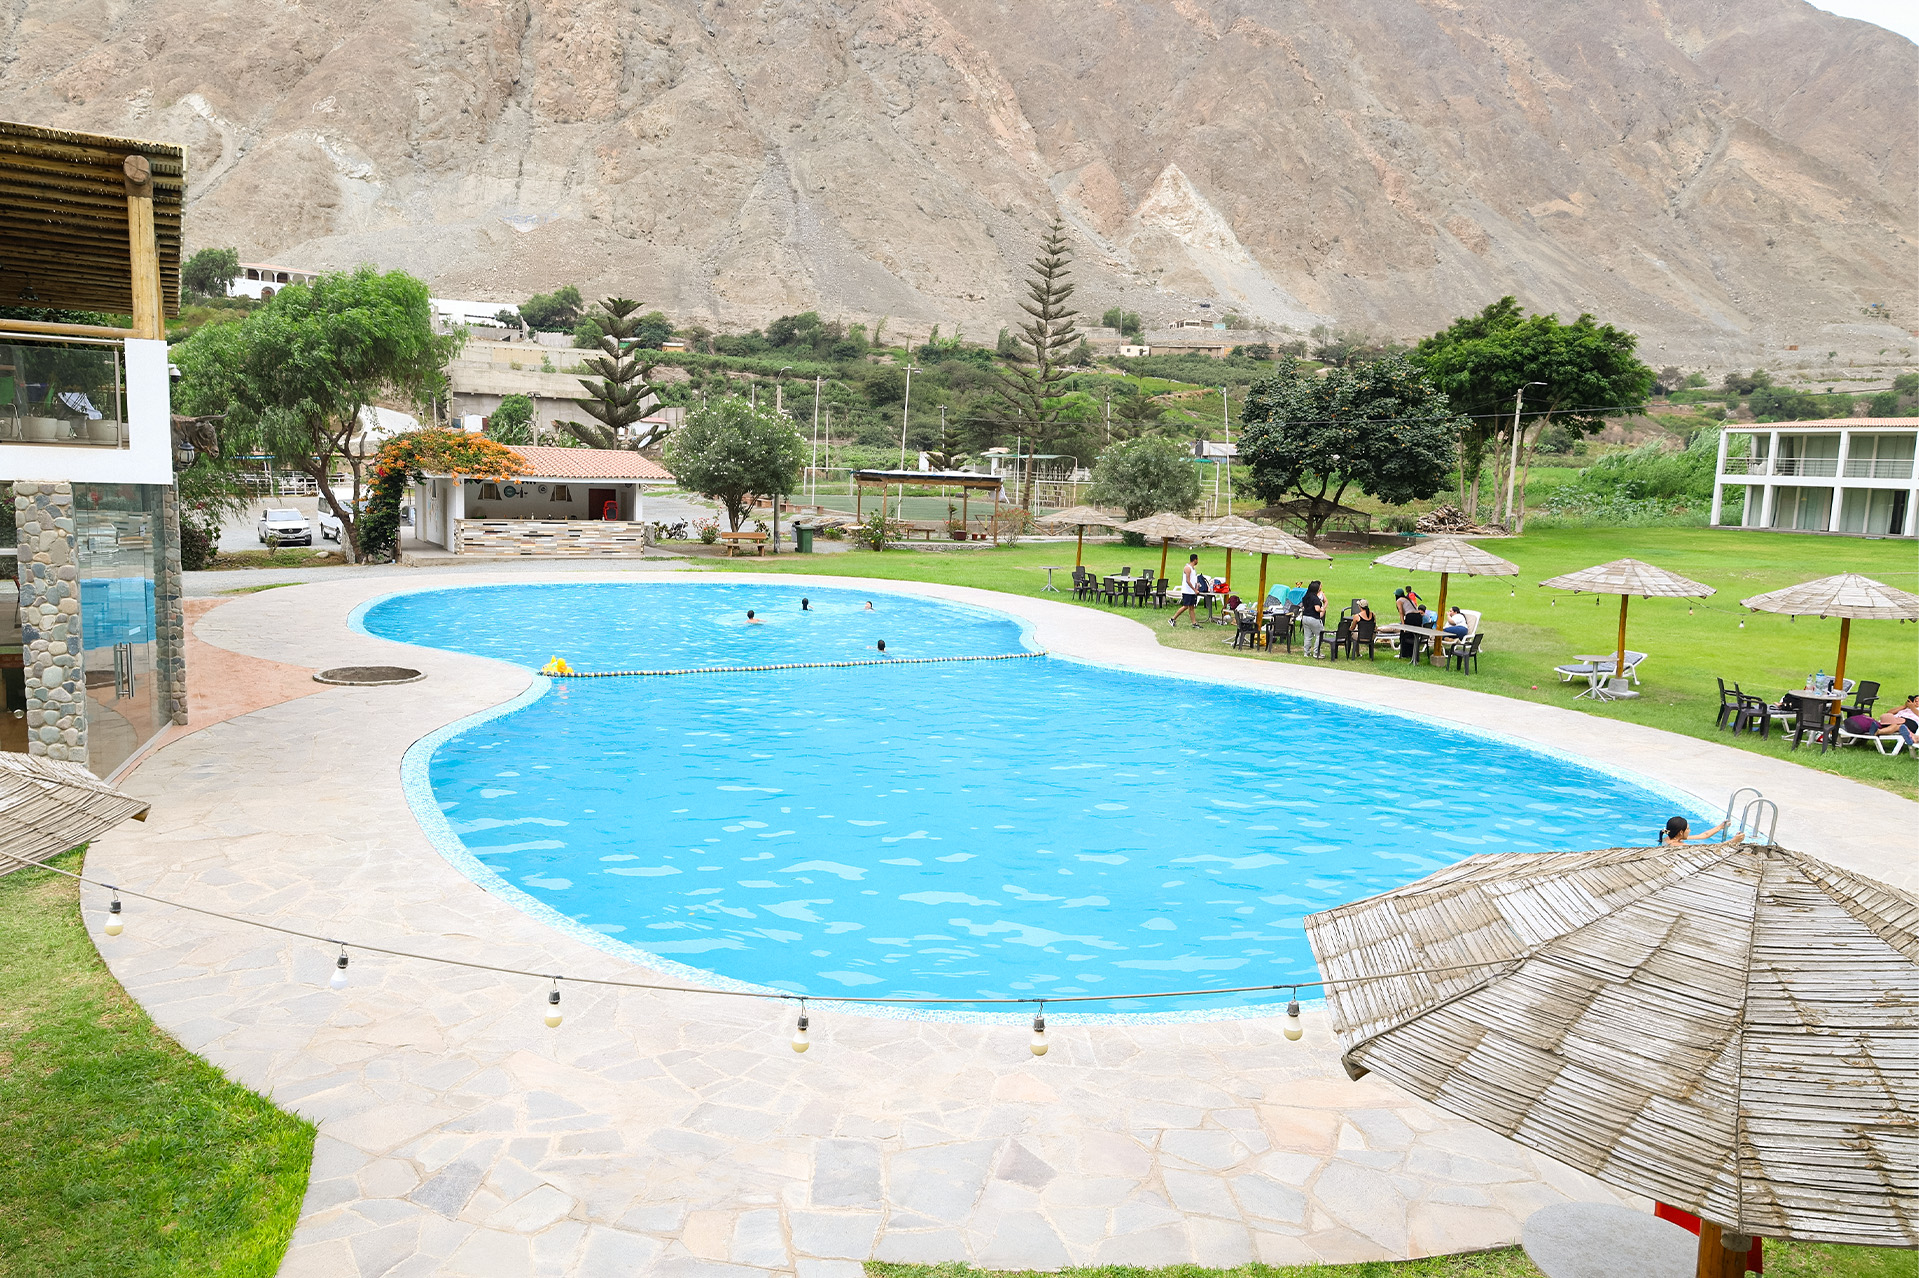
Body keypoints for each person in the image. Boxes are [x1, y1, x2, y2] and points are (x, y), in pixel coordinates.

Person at [1169, 554, 1206, 628]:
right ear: (1195, 560)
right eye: (1197, 559)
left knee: (1191, 607)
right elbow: (1188, 581)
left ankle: (1194, 623)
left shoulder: (1193, 569)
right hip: (1187, 591)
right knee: (1185, 606)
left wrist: (1197, 586)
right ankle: (1172, 619)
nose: (1197, 561)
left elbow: (1192, 580)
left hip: (1192, 591)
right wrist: (1194, 589)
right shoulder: (1187, 568)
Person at [1660, 815, 1742, 846]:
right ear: (1681, 832)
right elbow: (1712, 849)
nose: (1689, 831)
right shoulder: (1680, 845)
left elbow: (1703, 835)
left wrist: (1720, 827)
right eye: (1688, 829)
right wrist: (1733, 841)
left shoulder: (1669, 838)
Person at [1299, 579, 1327, 656]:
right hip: (1313, 618)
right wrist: (1322, 609)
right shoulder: (1315, 598)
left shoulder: (1306, 597)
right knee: (1320, 634)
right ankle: (1316, 652)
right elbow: (1317, 609)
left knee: (1307, 636)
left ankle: (1306, 652)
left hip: (1305, 617)